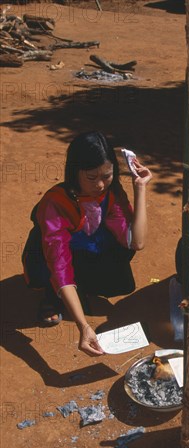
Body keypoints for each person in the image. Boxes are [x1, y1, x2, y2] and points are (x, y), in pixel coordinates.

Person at [22, 131, 152, 357]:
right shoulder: (55, 203)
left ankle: (78, 288)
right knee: (49, 269)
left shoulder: (112, 193)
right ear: (75, 172)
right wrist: (84, 326)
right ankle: (51, 297)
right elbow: (59, 264)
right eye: (91, 178)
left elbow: (136, 241)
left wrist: (140, 187)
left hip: (87, 251)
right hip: (53, 257)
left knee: (122, 283)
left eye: (107, 175)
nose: (100, 184)